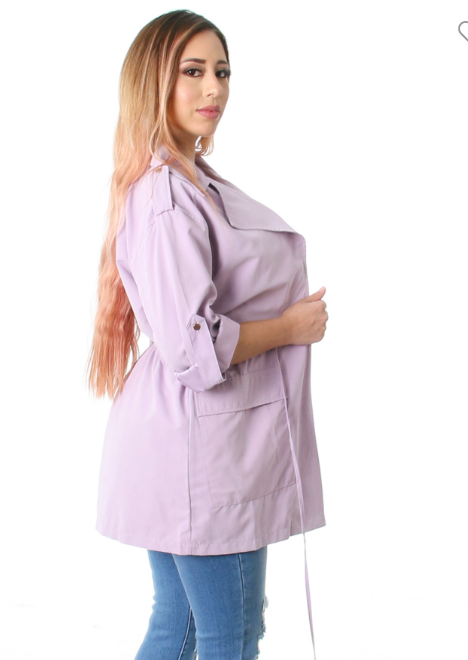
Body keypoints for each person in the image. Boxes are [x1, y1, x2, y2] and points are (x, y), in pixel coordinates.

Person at [86, 9, 328, 660]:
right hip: (204, 448)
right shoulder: (167, 196)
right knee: (228, 634)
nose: (213, 87)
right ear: (154, 82)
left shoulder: (187, 181)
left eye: (222, 71)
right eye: (192, 72)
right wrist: (291, 327)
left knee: (184, 624)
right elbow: (194, 350)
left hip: (193, 442)